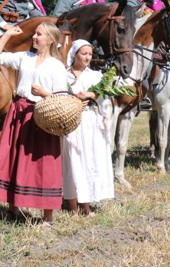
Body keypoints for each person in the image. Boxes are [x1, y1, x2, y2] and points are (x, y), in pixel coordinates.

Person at [0, 22, 68, 224]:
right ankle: (12, 209)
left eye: (39, 34)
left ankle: (47, 218)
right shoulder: (25, 57)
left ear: (50, 40)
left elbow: (62, 98)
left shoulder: (57, 66)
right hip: (18, 113)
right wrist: (7, 35)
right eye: (34, 33)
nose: (34, 37)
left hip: (42, 116)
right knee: (14, 159)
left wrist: (44, 93)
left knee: (44, 163)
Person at [62, 40, 114, 216]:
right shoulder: (64, 76)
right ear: (75, 54)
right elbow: (57, 97)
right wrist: (73, 101)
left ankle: (87, 203)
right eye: (84, 53)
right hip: (72, 123)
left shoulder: (95, 76)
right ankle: (73, 204)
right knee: (73, 161)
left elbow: (105, 100)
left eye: (90, 54)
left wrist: (92, 95)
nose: (87, 57)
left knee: (89, 160)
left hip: (90, 121)